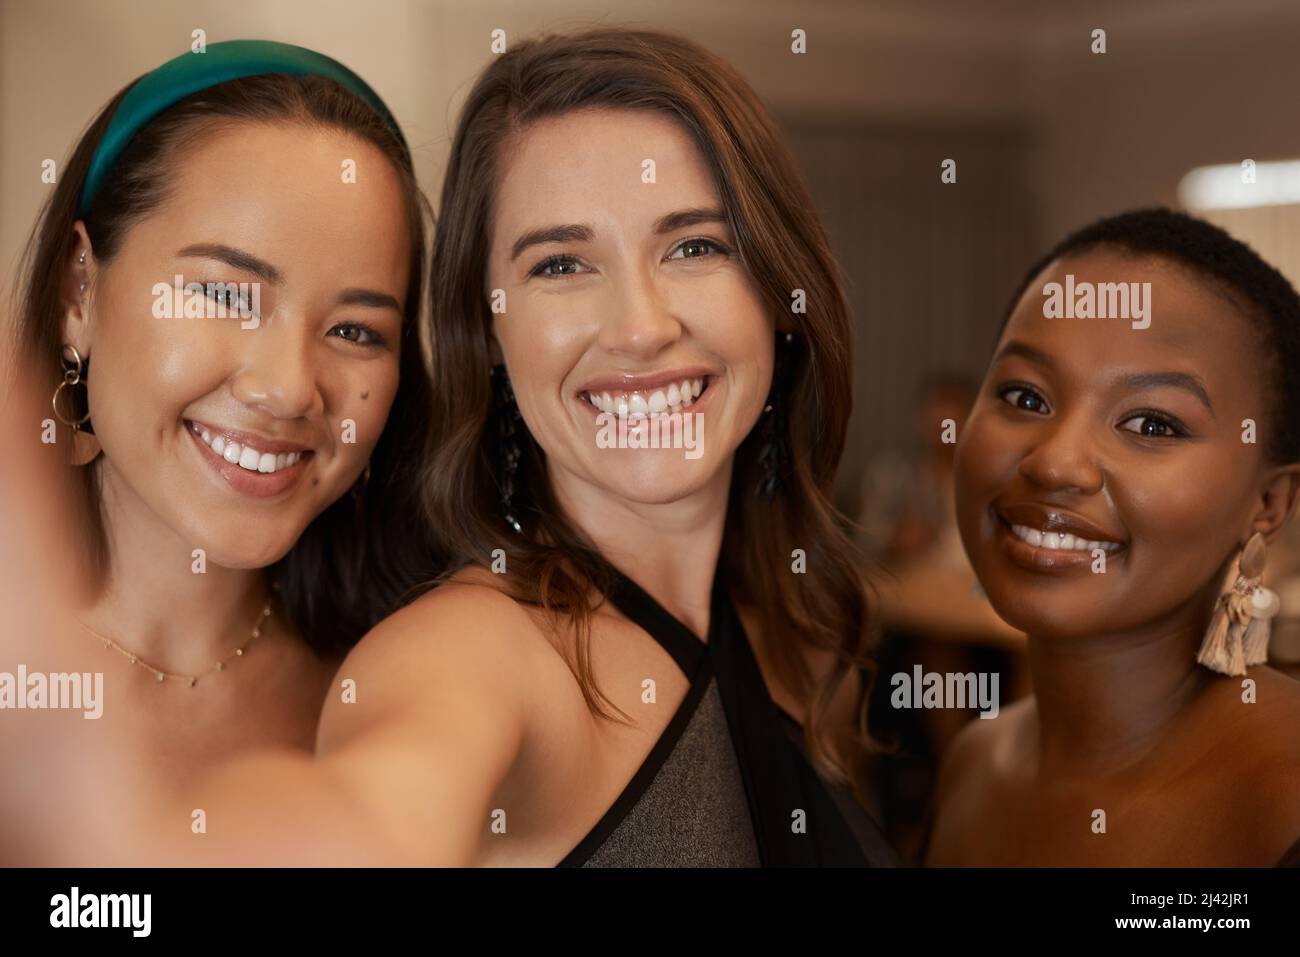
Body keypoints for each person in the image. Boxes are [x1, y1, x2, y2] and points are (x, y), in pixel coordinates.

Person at [121, 27, 899, 868]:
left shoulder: (801, 629)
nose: (641, 327)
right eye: (561, 265)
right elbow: (370, 820)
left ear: (779, 294)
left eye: (695, 246)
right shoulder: (469, 653)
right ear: (486, 331)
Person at [1, 40, 435, 861]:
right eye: (228, 294)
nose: (288, 388)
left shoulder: (406, 696)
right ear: (77, 292)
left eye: (355, 329)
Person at [927, 207, 1300, 866]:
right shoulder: (973, 765)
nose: (1054, 462)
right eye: (1025, 397)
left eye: (1153, 424)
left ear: (1268, 502)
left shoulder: (1283, 797)